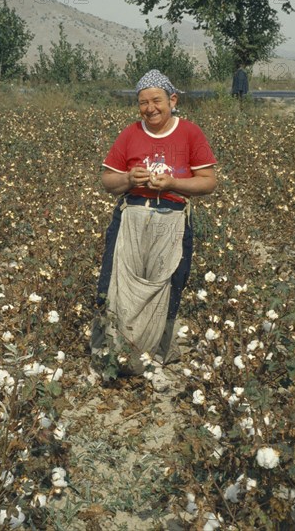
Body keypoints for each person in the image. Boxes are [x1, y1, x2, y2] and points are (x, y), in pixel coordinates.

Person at [90, 69, 217, 389]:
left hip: (172, 220)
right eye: (143, 102)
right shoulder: (129, 134)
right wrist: (129, 180)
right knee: (112, 286)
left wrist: (173, 182)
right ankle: (106, 356)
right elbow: (107, 180)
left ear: (172, 100)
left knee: (169, 287)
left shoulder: (190, 133)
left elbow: (208, 181)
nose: (150, 108)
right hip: (131, 217)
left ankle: (155, 358)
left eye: (156, 100)